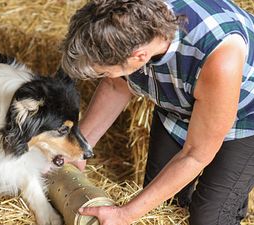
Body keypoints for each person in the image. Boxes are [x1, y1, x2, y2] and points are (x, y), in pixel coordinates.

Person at [60, 0, 254, 224]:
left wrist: (124, 215)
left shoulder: (220, 57)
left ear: (139, 56)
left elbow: (196, 155)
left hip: (246, 117)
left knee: (210, 217)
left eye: (104, 71)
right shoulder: (127, 20)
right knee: (160, 203)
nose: (106, 76)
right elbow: (116, 85)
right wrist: (79, 148)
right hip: (180, 103)